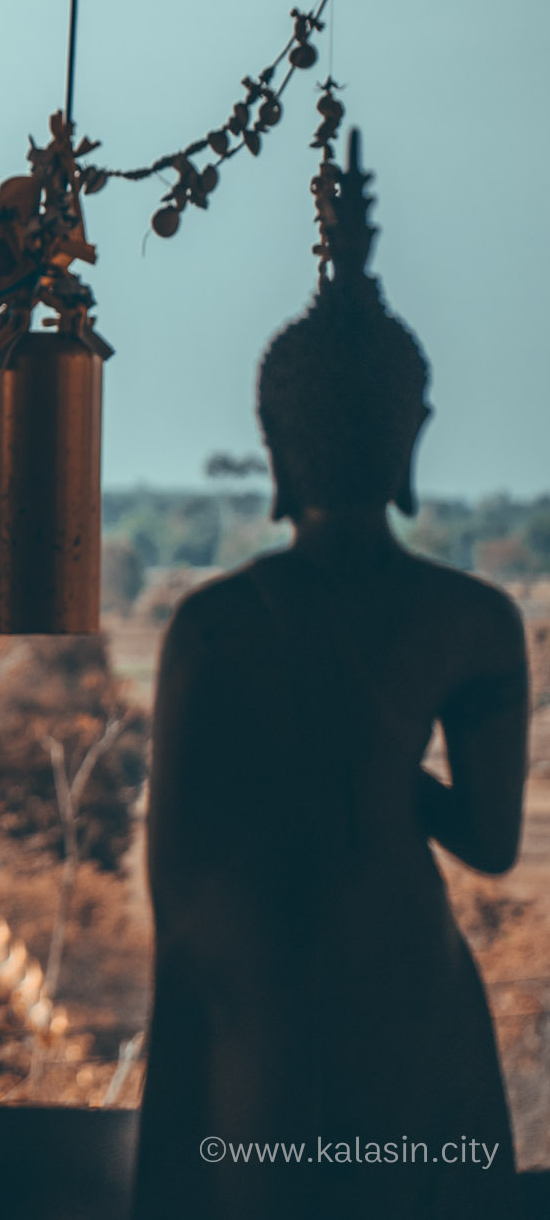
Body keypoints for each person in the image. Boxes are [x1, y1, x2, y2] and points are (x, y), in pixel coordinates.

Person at [132, 134, 528, 1219]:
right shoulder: (474, 622)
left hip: (268, 1003)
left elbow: (181, 897)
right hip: (413, 992)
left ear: (274, 445)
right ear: (412, 437)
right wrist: (389, 772)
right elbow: (491, 841)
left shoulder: (211, 628)